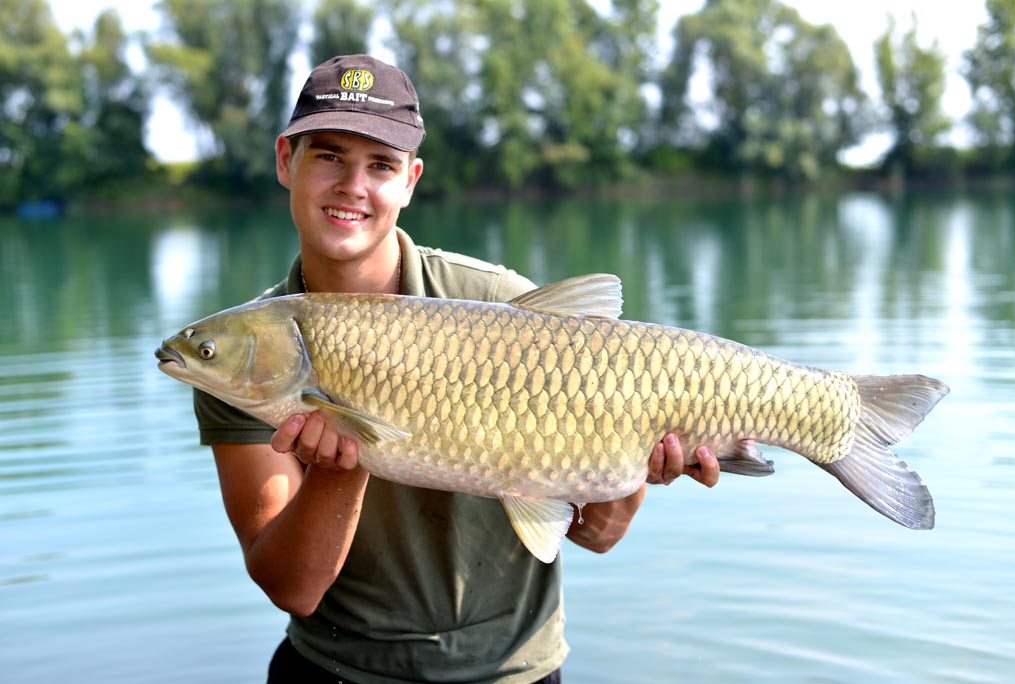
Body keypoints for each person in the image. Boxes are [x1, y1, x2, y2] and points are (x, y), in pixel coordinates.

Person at [193, 54, 720, 684]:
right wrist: (342, 468)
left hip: (512, 671)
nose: (352, 186)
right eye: (329, 155)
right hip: (339, 671)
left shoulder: (501, 304)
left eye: (380, 165)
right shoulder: (245, 353)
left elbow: (595, 535)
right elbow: (292, 589)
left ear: (410, 180)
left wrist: (636, 465)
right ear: (286, 161)